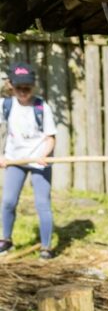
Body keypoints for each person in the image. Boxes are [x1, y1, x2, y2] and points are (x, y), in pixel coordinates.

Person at [0, 62, 57, 260]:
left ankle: (46, 247)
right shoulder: (5, 105)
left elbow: (51, 137)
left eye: (27, 88)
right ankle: (5, 239)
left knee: (42, 203)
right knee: (8, 201)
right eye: (19, 88)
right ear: (11, 86)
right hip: (15, 161)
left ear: (33, 86)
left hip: (39, 160)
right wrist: (2, 156)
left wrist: (45, 155)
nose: (23, 92)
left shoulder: (42, 107)